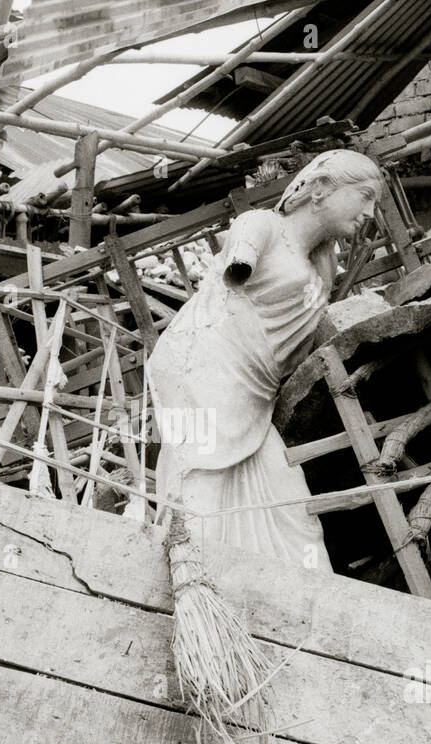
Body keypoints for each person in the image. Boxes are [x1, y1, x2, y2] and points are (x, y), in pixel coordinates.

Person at [146, 149, 383, 571]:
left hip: (254, 396)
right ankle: (190, 581)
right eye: (364, 196)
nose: (369, 212)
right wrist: (243, 256)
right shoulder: (264, 225)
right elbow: (238, 263)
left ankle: (290, 593)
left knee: (286, 499)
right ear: (322, 189)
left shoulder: (322, 269)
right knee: (201, 486)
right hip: (205, 370)